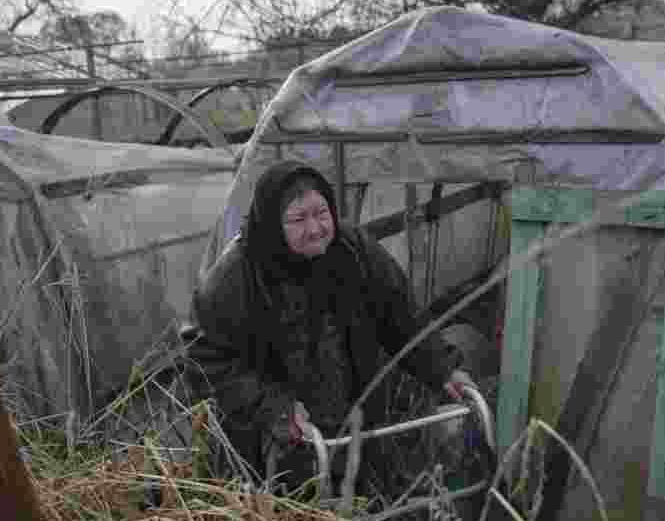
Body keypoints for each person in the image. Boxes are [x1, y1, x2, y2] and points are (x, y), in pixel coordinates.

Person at [181, 160, 476, 494]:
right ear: (272, 224)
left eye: (321, 213)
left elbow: (400, 314)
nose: (315, 228)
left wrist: (441, 367)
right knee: (296, 519)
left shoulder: (353, 250)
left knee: (361, 509)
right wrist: (272, 407)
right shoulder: (238, 274)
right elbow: (202, 354)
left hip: (355, 420)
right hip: (281, 438)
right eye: (298, 219)